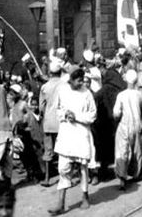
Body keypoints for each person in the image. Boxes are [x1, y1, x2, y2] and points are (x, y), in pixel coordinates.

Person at [48, 68, 96, 215]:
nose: (81, 82)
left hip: (81, 134)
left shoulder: (87, 93)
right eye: (78, 80)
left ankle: (85, 197)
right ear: (70, 80)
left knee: (83, 168)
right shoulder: (63, 91)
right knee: (63, 168)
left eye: (82, 79)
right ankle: (60, 203)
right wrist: (64, 114)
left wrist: (77, 117)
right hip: (67, 134)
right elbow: (58, 110)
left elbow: (93, 115)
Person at [93, 66, 126, 181]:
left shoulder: (106, 88)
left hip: (106, 121)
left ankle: (104, 170)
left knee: (104, 146)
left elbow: (95, 97)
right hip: (119, 120)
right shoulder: (123, 88)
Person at [113, 70, 142, 190]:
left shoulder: (121, 95)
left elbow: (116, 113)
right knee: (136, 149)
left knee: (122, 150)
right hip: (137, 124)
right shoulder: (139, 94)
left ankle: (122, 177)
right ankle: (135, 174)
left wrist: (117, 118)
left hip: (124, 124)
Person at [39, 61, 64, 187]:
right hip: (62, 121)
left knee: (48, 151)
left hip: (49, 121)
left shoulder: (45, 87)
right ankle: (63, 177)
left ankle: (47, 178)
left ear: (50, 73)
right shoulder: (65, 85)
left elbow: (41, 107)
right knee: (63, 150)